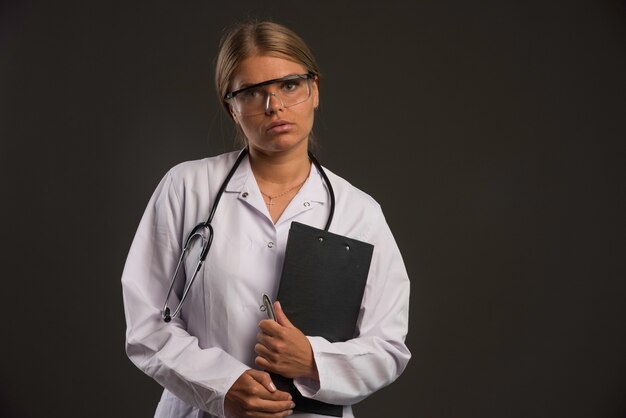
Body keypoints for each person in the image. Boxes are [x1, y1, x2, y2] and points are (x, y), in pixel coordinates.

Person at [122, 21, 410, 418]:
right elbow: (146, 323)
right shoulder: (186, 188)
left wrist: (312, 360)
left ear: (315, 91)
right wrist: (223, 386)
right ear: (231, 107)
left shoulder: (360, 213)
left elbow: (388, 346)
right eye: (253, 92)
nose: (274, 106)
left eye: (289, 85)